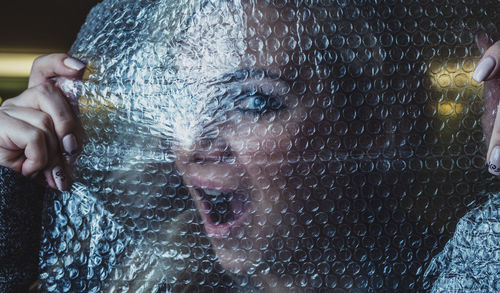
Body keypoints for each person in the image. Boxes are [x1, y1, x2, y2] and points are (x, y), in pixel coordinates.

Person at [0, 0, 499, 292]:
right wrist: (11, 181)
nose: (192, 141)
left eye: (254, 102)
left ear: (372, 120)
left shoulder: (465, 269)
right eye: (175, 100)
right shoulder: (147, 279)